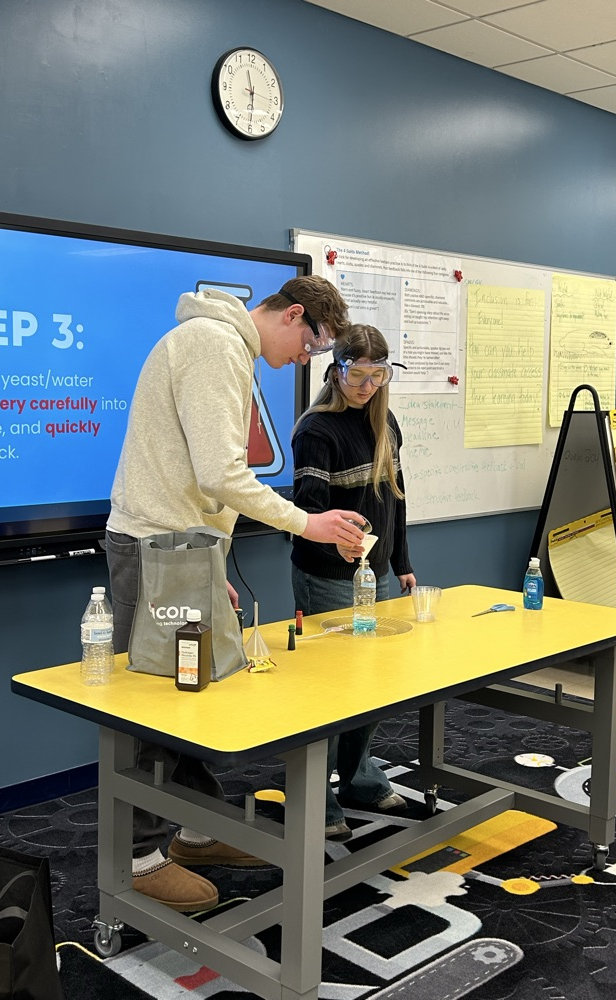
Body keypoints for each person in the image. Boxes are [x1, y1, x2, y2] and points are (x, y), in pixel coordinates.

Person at [105, 276, 367, 911]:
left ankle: (198, 831)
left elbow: (201, 475)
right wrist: (308, 523)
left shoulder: (226, 346)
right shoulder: (214, 344)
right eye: (313, 344)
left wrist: (207, 560)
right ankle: (137, 861)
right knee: (153, 703)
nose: (305, 359)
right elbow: (220, 473)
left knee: (193, 692)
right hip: (153, 548)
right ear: (294, 314)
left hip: (181, 549)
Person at [290, 324, 417, 841]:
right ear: (335, 370)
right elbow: (305, 514)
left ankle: (359, 779)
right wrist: (336, 546)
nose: (367, 386)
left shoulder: (386, 423)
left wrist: (402, 561)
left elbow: (396, 500)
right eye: (356, 374)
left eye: (377, 375)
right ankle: (316, 800)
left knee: (369, 685)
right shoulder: (316, 430)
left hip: (378, 574)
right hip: (328, 578)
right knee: (329, 691)